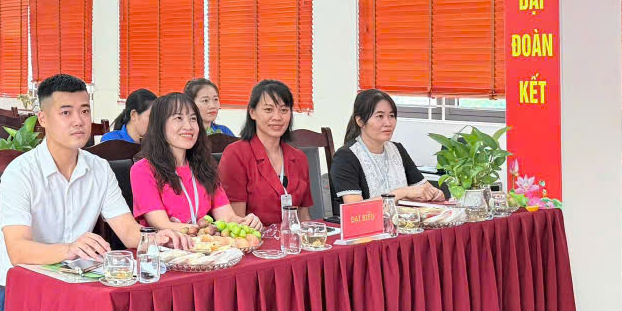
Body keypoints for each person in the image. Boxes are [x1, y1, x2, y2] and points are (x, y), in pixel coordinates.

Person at [0, 74, 186, 311]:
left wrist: (159, 237)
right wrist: (70, 249)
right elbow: (18, 250)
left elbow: (129, 233)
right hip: (23, 292)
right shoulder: (20, 173)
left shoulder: (99, 169)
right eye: (66, 112)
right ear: (43, 119)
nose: (79, 121)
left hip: (78, 288)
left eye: (84, 111)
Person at [131, 92, 262, 230]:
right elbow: (161, 225)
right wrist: (206, 233)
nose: (189, 126)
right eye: (178, 118)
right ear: (159, 126)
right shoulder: (142, 170)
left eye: (193, 119)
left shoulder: (204, 167)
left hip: (203, 243)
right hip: (166, 243)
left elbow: (228, 218)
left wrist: (246, 222)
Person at [218, 80, 313, 226]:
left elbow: (304, 216)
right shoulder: (236, 154)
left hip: (294, 239)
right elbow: (236, 222)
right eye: (268, 110)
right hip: (254, 238)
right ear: (252, 112)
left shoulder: (299, 158)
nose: (277, 117)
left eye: (284, 110)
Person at [330, 89, 444, 206]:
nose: (388, 123)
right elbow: (354, 209)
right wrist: (402, 192)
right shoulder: (345, 157)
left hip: (404, 217)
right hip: (370, 219)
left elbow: (426, 189)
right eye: (380, 116)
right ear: (360, 121)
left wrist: (436, 194)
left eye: (391, 116)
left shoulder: (398, 149)